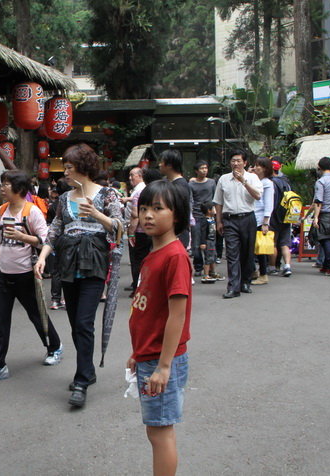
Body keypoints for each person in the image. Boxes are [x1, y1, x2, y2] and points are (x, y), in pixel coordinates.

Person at [34, 143, 123, 408]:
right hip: (68, 262)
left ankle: (82, 380)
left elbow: (120, 227)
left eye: (69, 168)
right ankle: (88, 370)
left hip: (93, 263)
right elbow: (55, 229)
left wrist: (96, 214)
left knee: (84, 322)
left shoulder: (107, 194)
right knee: (75, 323)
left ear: (83, 168)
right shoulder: (64, 198)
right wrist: (42, 256)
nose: (65, 173)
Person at [126, 180, 192, 476]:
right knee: (155, 430)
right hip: (149, 355)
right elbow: (149, 310)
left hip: (162, 359)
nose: (148, 215)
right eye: (143, 208)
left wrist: (164, 367)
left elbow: (177, 315)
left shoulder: (175, 257)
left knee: (160, 431)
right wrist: (137, 353)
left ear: (176, 215)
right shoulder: (153, 255)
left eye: (157, 208)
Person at [0, 170, 63, 384]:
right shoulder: (1, 210)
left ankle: (54, 347)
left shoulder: (32, 212)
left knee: (37, 315)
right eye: (2, 183)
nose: (2, 188)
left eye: (6, 184)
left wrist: (23, 236)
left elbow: (46, 241)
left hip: (25, 274)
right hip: (3, 274)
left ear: (20, 189)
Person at [213, 150, 263, 298]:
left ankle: (245, 282)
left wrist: (243, 181)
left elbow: (258, 196)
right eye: (233, 161)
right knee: (232, 253)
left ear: (245, 163)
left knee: (247, 253)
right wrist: (219, 221)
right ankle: (233, 287)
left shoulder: (252, 178)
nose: (235, 163)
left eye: (239, 161)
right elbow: (218, 202)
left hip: (248, 218)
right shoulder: (223, 179)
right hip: (229, 219)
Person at [159, 149, 192, 249]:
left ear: (169, 165)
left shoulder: (180, 185)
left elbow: (181, 213)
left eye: (161, 162)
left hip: (177, 235)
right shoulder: (168, 182)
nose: (159, 164)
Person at [47, 180, 71, 310]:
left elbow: (50, 224)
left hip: (55, 241)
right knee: (67, 269)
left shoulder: (52, 205)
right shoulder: (69, 203)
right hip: (68, 241)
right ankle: (66, 299)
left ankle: (55, 300)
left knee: (55, 271)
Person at [190, 160, 216, 276]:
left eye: (206, 168)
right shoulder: (191, 185)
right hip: (196, 215)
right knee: (196, 244)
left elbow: (215, 198)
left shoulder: (211, 182)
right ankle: (198, 266)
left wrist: (215, 211)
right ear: (196, 171)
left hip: (209, 215)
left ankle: (210, 265)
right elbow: (190, 200)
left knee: (210, 241)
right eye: (202, 168)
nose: (204, 170)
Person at [125, 167, 149, 292]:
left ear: (140, 176)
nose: (130, 178)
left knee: (137, 260)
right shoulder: (139, 190)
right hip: (143, 232)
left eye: (132, 175)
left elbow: (135, 215)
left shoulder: (140, 191)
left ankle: (138, 287)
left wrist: (130, 233)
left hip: (139, 231)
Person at [269, 159, 293, 277]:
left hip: (274, 216)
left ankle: (272, 267)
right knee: (284, 244)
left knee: (273, 243)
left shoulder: (270, 183)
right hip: (287, 216)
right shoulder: (286, 182)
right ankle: (287, 266)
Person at [252, 157, 275, 285]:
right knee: (253, 247)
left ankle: (263, 274)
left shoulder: (267, 183)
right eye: (255, 165)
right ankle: (255, 271)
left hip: (260, 219)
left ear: (265, 168)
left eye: (258, 166)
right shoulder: (255, 180)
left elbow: (268, 203)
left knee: (261, 249)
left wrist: (266, 222)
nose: (256, 168)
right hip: (253, 217)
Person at [198, 201, 223, 283]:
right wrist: (203, 242)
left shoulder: (212, 219)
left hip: (213, 241)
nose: (215, 210)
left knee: (213, 257)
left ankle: (212, 272)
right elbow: (203, 232)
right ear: (209, 211)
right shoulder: (205, 220)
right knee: (208, 258)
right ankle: (206, 275)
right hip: (208, 242)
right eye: (213, 209)